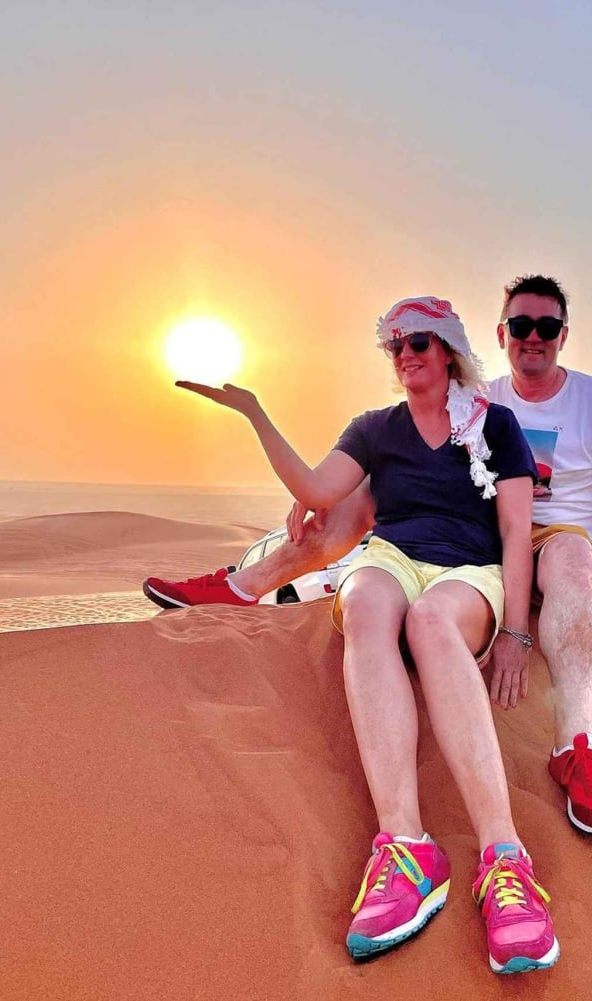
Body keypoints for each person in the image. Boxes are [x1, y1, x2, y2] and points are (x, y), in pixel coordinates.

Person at [145, 276, 592, 840]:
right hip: (474, 529)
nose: (534, 337)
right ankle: (245, 584)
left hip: (548, 539)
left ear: (562, 335)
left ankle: (576, 746)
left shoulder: (590, 402)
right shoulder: (478, 399)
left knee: (568, 560)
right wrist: (314, 491)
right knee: (360, 499)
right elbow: (357, 473)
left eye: (546, 327)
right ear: (501, 334)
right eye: (522, 326)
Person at [175, 296, 560, 973]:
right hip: (394, 557)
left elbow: (513, 535)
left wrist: (517, 635)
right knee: (365, 599)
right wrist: (254, 411)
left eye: (420, 341)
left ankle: (505, 858)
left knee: (433, 621)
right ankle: (407, 845)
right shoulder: (375, 428)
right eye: (397, 343)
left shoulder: (494, 424)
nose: (407, 352)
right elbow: (320, 491)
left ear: (448, 352)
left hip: (470, 570)